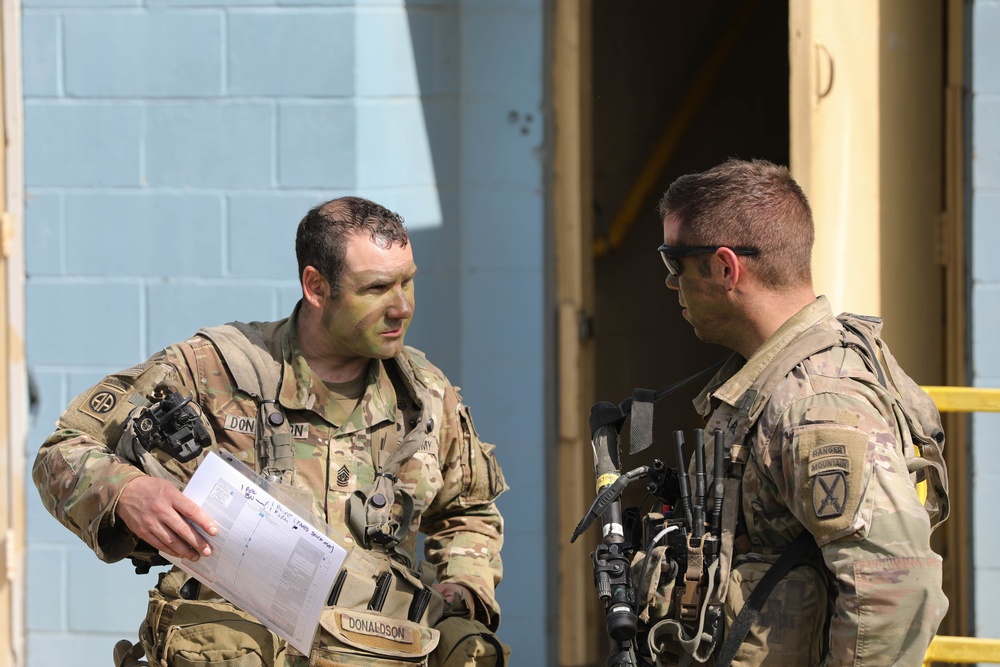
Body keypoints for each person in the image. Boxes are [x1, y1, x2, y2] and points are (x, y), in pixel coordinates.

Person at [32, 196, 508, 666]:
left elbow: (468, 508)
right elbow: (62, 452)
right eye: (377, 288)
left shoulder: (424, 394)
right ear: (316, 287)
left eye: (408, 282)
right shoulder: (213, 369)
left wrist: (464, 584)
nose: (402, 307)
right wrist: (128, 492)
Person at [652, 159, 948, 665]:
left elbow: (898, 589)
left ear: (726, 268)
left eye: (674, 263)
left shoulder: (815, 405)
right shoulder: (773, 383)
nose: (670, 283)